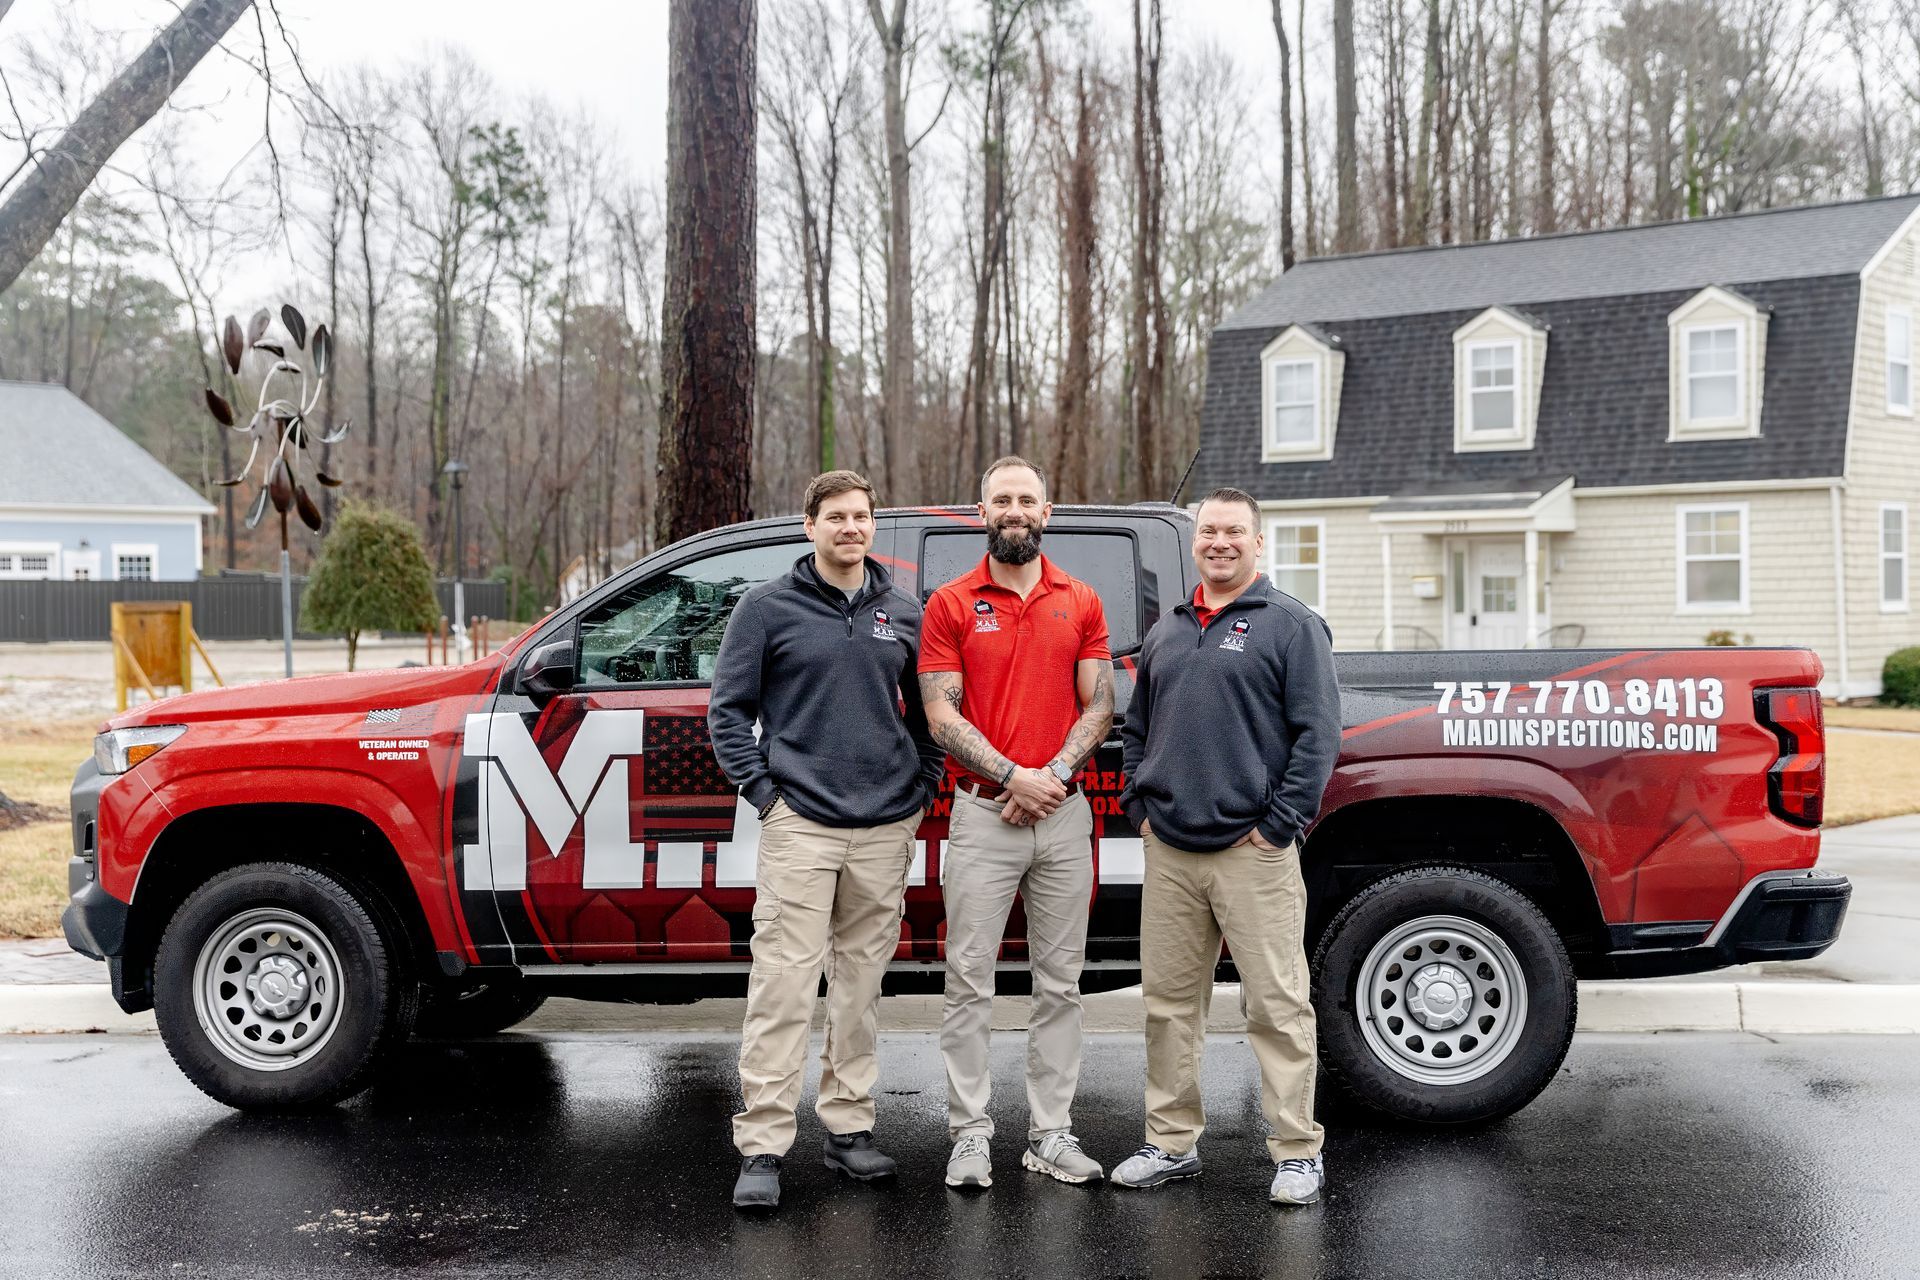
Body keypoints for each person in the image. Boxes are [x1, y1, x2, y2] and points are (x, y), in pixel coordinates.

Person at [708, 469, 946, 1211]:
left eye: (861, 517)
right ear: (808, 526)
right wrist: (767, 798)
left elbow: (927, 719)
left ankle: (849, 1130)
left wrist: (920, 791)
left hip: (884, 829)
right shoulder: (766, 607)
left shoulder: (904, 613)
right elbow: (728, 711)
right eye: (836, 517)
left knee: (858, 989)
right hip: (801, 825)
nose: (850, 528)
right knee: (782, 986)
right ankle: (763, 1146)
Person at [1111, 486, 1342, 1205]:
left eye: (1233, 532)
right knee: (1170, 1005)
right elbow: (1137, 728)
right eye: (1209, 531)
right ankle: (1171, 1142)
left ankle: (1298, 1150)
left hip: (1255, 853)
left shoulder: (1292, 625)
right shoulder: (1169, 630)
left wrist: (1279, 826)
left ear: (1257, 542)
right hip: (1171, 850)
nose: (1219, 543)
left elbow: (1319, 737)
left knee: (1275, 1004)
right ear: (1194, 542)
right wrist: (1138, 806)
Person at [917, 456, 1114, 1190]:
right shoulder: (950, 603)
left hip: (1063, 816)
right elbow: (940, 712)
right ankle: (969, 1135)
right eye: (1002, 500)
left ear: (1048, 510)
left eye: (1026, 499)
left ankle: (1051, 1135)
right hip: (982, 813)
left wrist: (1052, 777)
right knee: (969, 981)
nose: (1015, 510)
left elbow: (1100, 704)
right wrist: (1012, 775)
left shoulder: (1082, 599)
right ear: (982, 512)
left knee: (1060, 985)